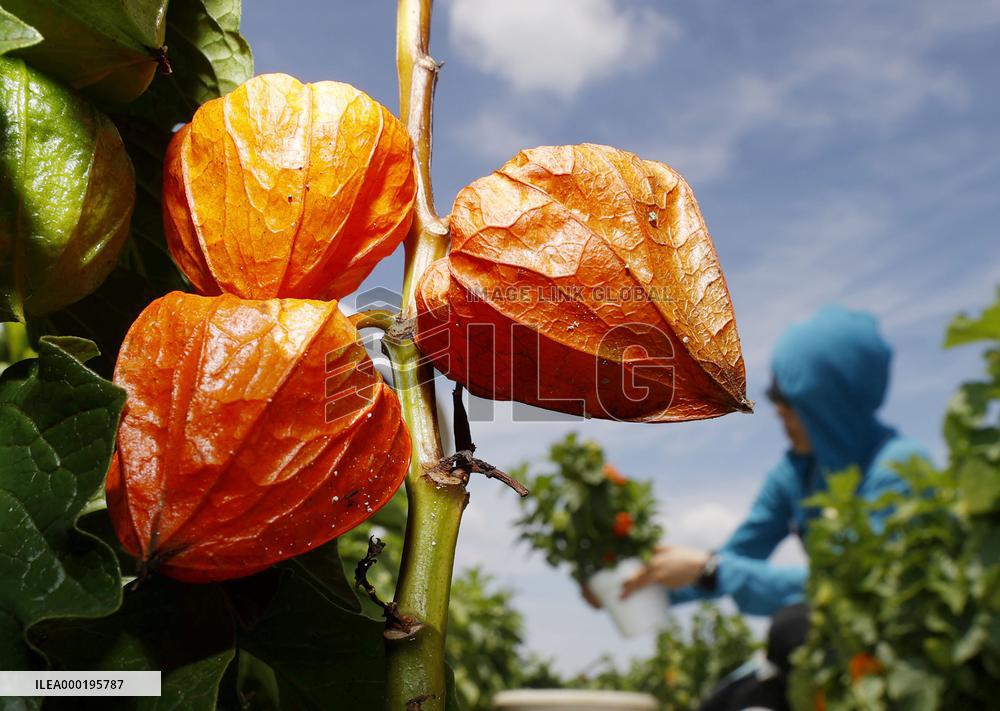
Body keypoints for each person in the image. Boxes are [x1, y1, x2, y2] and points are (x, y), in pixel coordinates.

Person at [587, 305, 928, 708]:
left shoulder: (899, 473)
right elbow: (736, 558)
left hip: (892, 651)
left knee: (790, 628)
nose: (776, 407)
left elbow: (856, 592)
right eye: (774, 392)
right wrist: (640, 585)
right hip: (830, 643)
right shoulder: (797, 473)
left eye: (789, 396)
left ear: (833, 404)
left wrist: (712, 569)